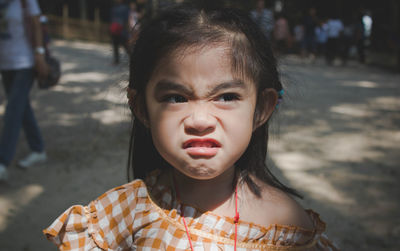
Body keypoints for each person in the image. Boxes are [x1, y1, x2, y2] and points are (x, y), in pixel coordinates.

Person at [43, 5, 338, 250]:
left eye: (226, 97)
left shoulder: (288, 228)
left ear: (261, 108)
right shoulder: (122, 216)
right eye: (176, 98)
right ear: (142, 107)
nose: (200, 120)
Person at [0, 0, 48, 181]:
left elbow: (36, 23)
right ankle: (38, 149)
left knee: (12, 110)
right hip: (5, 64)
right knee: (22, 108)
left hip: (25, 63)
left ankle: (2, 162)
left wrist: (39, 53)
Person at [109, 0, 130, 65]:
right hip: (115, 29)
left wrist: (127, 28)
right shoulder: (114, 8)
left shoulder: (125, 8)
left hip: (122, 29)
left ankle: (132, 57)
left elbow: (127, 19)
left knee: (125, 45)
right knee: (115, 45)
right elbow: (112, 18)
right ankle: (116, 60)